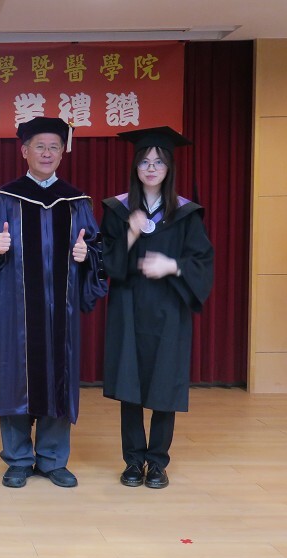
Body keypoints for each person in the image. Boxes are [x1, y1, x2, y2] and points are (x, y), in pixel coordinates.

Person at [0, 117, 107, 489]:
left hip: (61, 309)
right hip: (16, 310)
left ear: (62, 153)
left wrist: (86, 256)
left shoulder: (76, 202)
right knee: (15, 376)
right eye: (39, 147)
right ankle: (17, 459)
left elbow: (98, 250)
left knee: (58, 376)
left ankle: (52, 459)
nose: (47, 154)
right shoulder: (4, 198)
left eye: (54, 147)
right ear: (24, 151)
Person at [101, 126, 214, 489]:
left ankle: (158, 462)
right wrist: (131, 233)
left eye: (159, 162)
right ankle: (133, 461)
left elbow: (203, 262)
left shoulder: (185, 213)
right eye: (145, 161)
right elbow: (107, 264)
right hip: (129, 306)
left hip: (169, 308)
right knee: (130, 383)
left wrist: (172, 266)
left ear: (169, 168)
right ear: (135, 166)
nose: (151, 168)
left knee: (165, 384)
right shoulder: (118, 210)